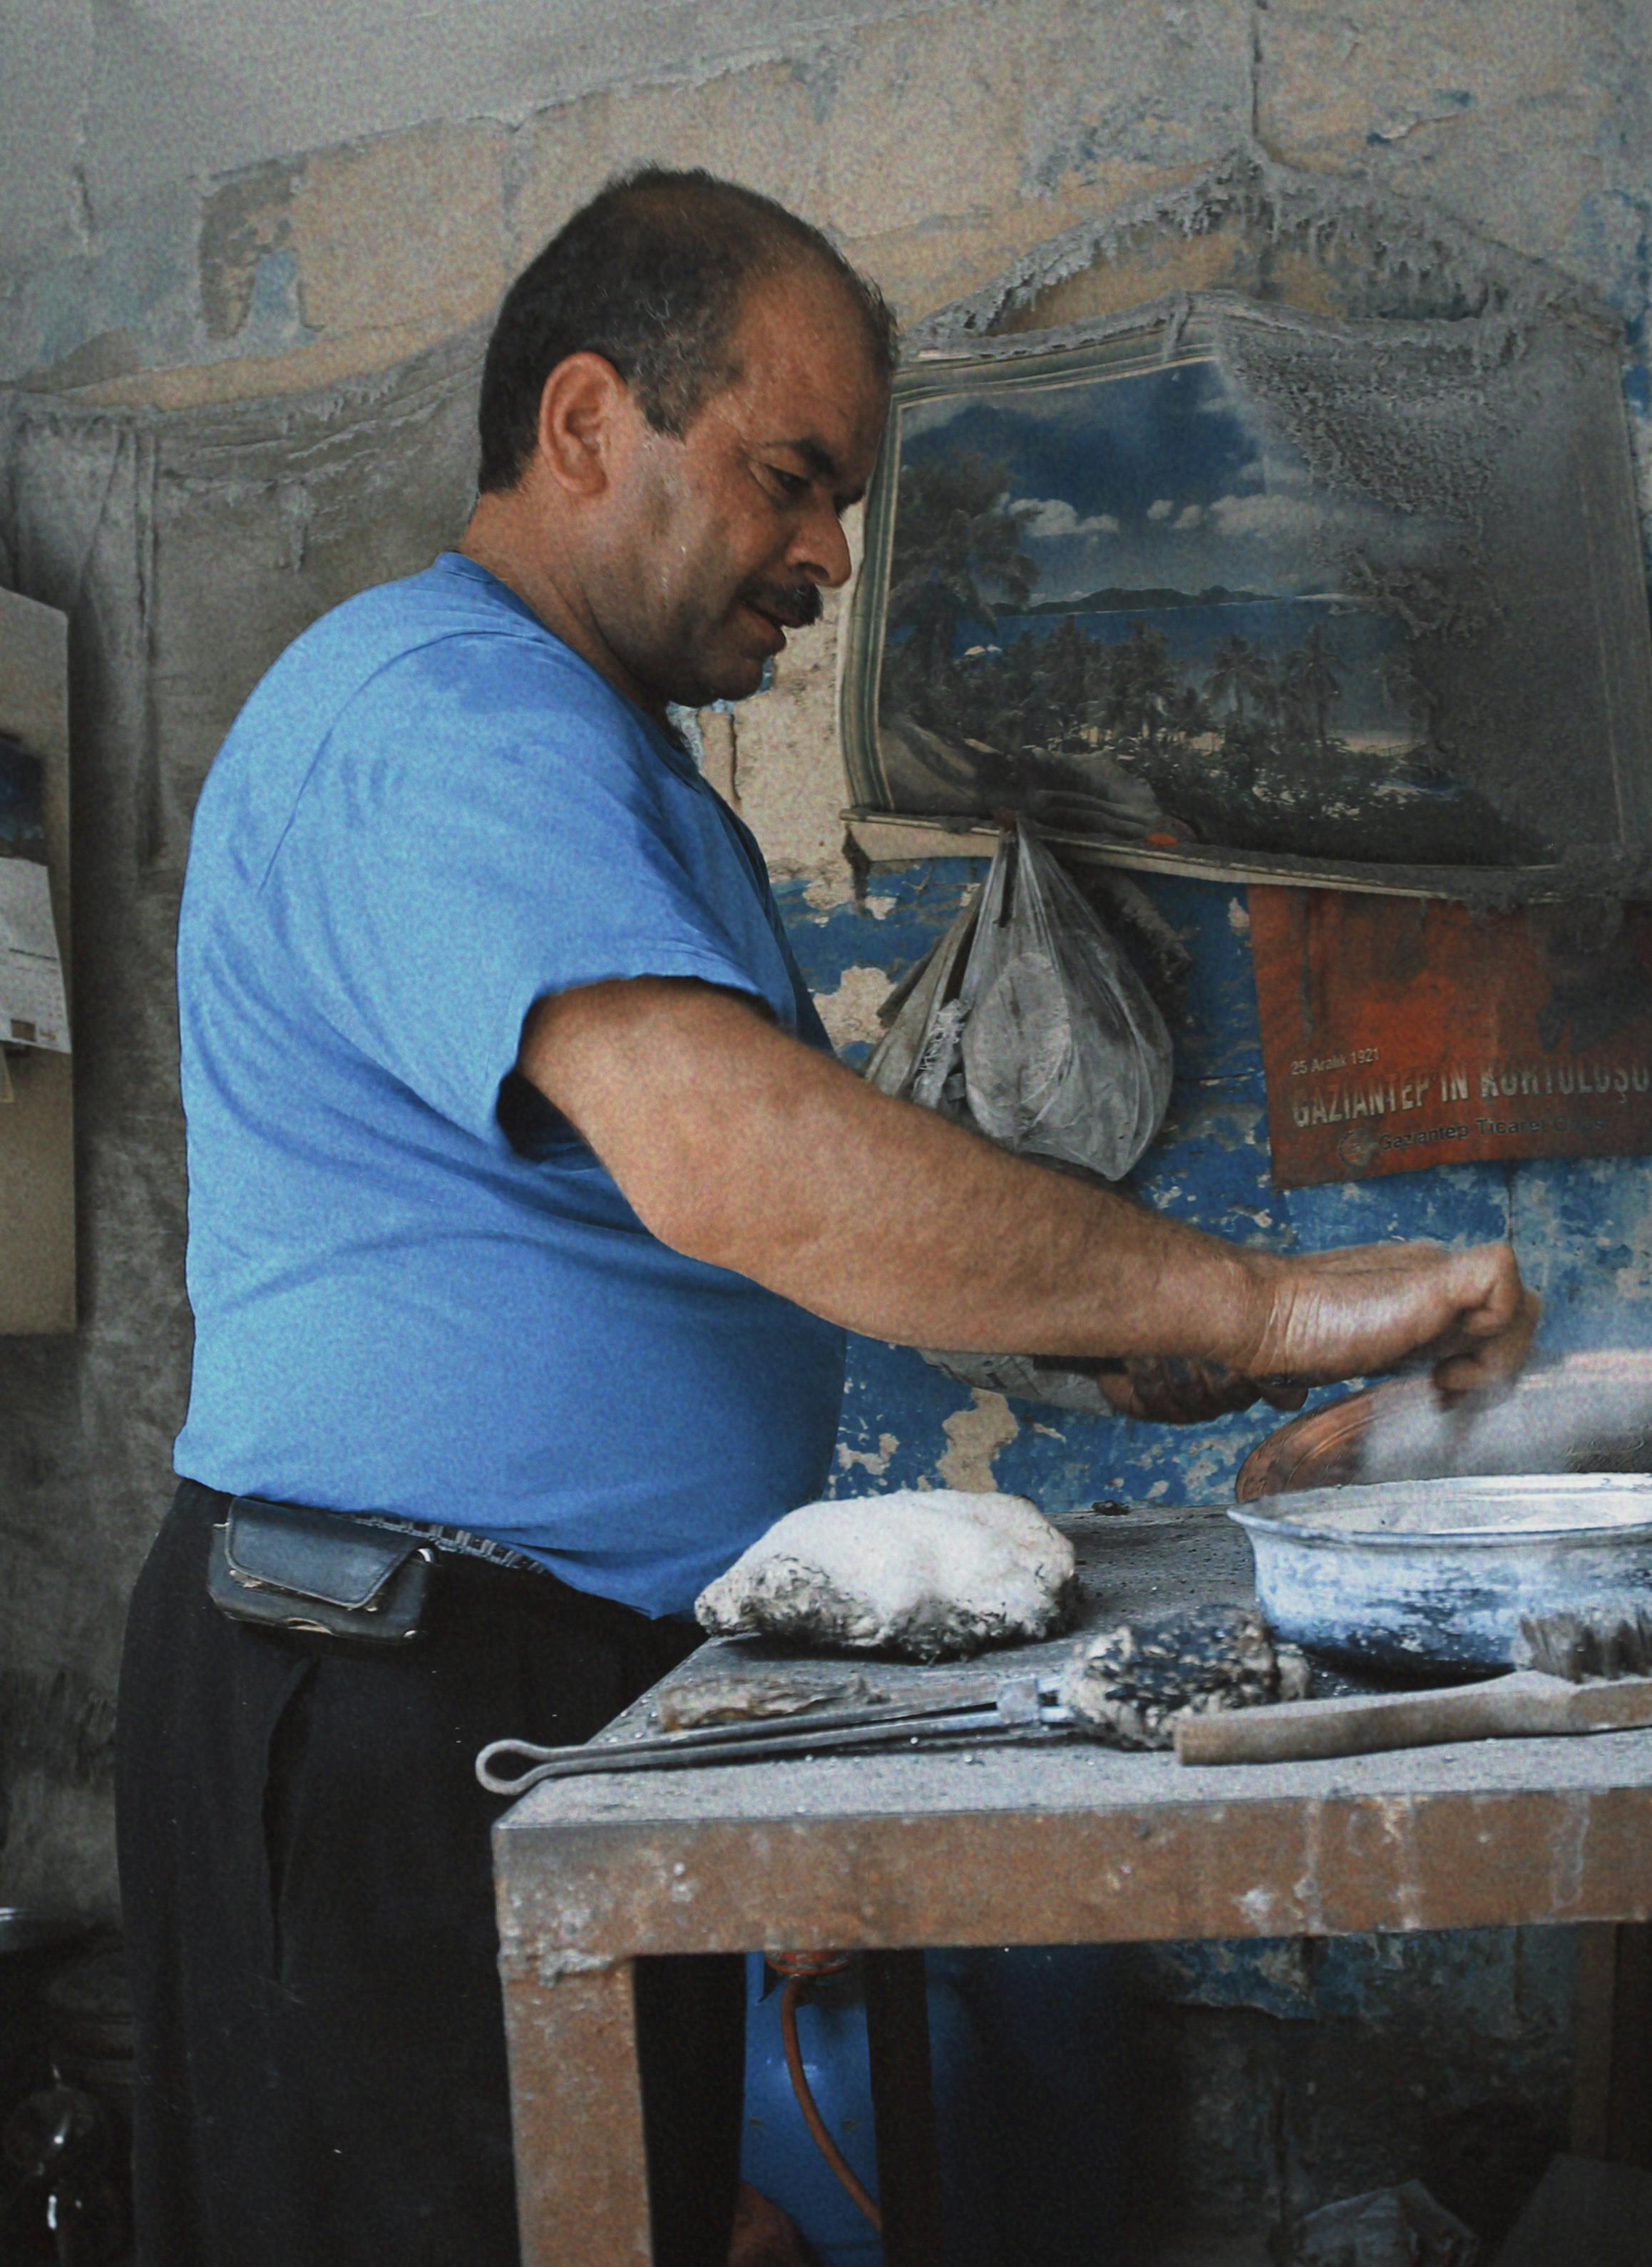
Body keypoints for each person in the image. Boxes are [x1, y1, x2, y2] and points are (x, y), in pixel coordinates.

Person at [116, 168, 1538, 2267]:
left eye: (843, 501)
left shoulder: (608, 765)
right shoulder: (441, 713)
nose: (832, 558)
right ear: (587, 421)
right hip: (381, 1694)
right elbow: (742, 1163)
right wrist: (1254, 1304)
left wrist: (1107, 1336)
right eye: (792, 480)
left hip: (529, 1675)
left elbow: (728, 1227)